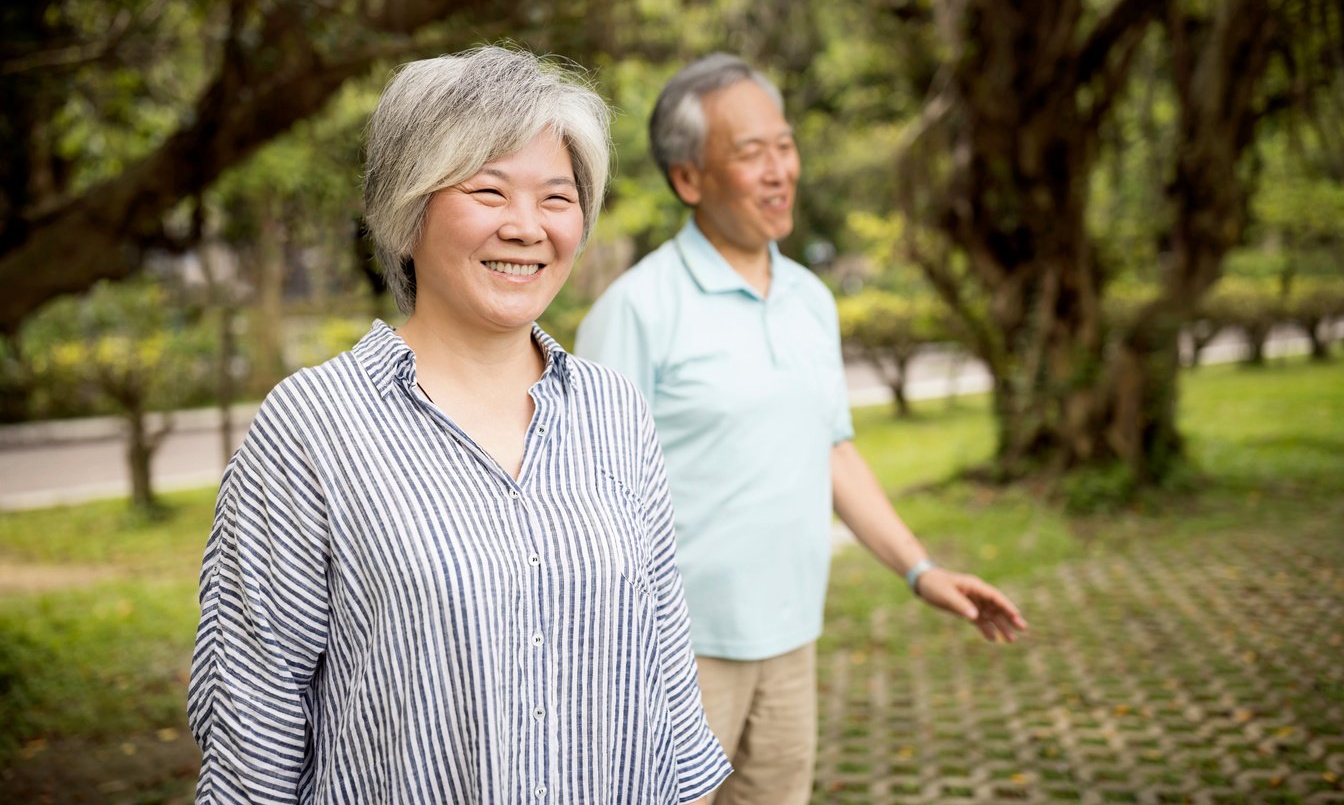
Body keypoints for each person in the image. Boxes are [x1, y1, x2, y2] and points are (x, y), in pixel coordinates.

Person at [187, 46, 731, 804]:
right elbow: (256, 722)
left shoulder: (615, 410)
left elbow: (666, 665)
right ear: (408, 214)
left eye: (556, 197)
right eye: (488, 191)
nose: (526, 227)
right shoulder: (313, 428)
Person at [575, 53, 1028, 805]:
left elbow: (832, 451)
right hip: (675, 655)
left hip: (790, 639)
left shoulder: (810, 300)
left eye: (784, 146)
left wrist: (923, 571)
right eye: (751, 153)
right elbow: (590, 500)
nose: (779, 169)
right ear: (689, 179)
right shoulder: (635, 311)